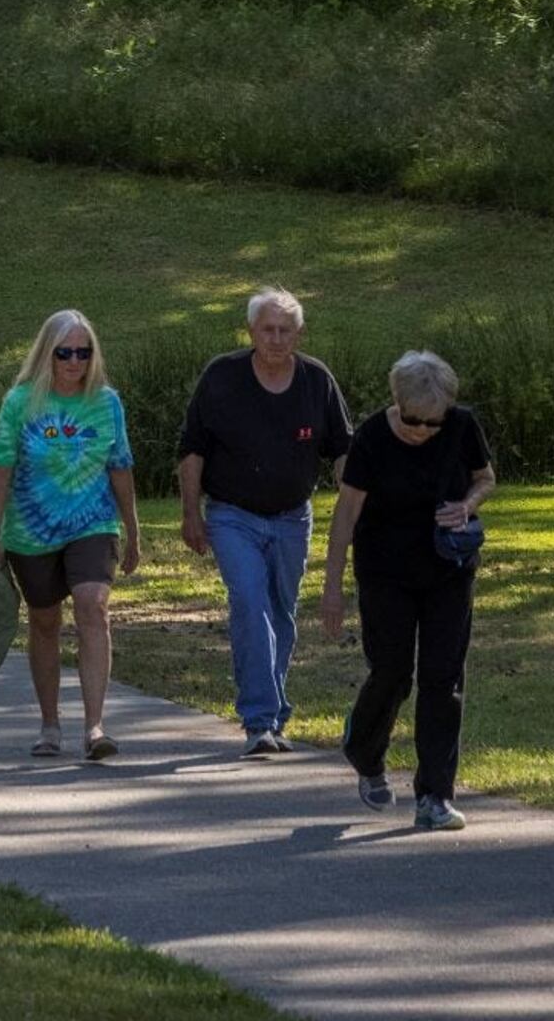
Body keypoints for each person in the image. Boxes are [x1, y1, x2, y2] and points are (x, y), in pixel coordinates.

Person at [318, 350, 496, 833]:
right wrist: (331, 587)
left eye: (432, 423)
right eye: (414, 421)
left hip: (449, 571)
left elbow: (486, 479)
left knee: (443, 679)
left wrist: (467, 504)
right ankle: (364, 750)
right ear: (397, 403)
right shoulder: (373, 436)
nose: (423, 431)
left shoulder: (461, 426)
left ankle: (435, 796)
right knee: (393, 673)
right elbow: (346, 515)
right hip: (384, 573)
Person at [175, 286, 352, 756]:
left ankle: (274, 716)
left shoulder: (317, 380)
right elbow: (192, 450)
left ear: (299, 334)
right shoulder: (222, 376)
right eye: (267, 329)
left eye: (285, 330)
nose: (276, 339)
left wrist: (358, 509)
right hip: (233, 514)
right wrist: (190, 513)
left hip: (294, 517)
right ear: (251, 331)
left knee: (281, 614)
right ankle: (259, 719)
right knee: (250, 603)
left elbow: (342, 453)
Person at [0, 308, 142, 761]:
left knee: (93, 606)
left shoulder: (107, 403)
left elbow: (120, 467)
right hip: (31, 531)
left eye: (83, 353)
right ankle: (50, 725)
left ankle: (95, 726)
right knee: (44, 622)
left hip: (92, 523)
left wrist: (133, 530)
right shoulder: (21, 402)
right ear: (48, 353)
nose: (74, 362)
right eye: (64, 352)